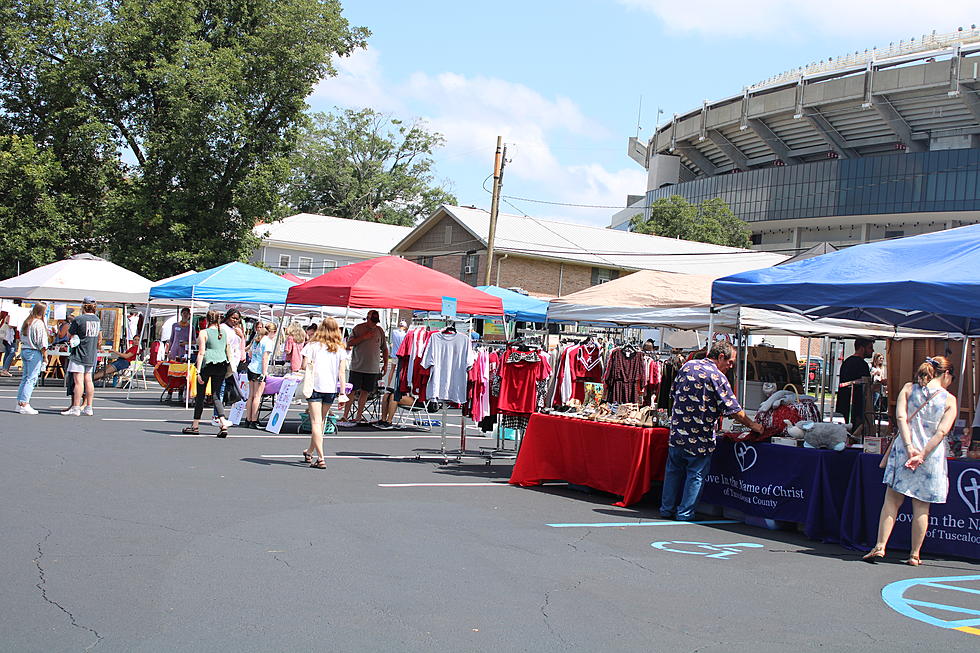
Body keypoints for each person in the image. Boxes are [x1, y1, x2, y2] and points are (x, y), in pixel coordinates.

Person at [863, 355, 958, 566]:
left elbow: (900, 419)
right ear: (947, 374)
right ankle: (915, 554)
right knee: (922, 508)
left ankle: (880, 545)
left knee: (891, 502)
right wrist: (922, 454)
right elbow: (942, 431)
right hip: (929, 458)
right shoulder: (949, 400)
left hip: (904, 453)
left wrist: (909, 447)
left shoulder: (908, 389)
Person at [660, 340, 763, 521]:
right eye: (730, 362)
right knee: (695, 475)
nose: (730, 367)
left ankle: (666, 509)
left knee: (673, 471)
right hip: (699, 438)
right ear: (721, 357)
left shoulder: (687, 366)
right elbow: (735, 411)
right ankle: (684, 513)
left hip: (677, 434)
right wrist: (755, 426)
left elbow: (672, 394)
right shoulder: (717, 376)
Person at [300, 318, 349, 469]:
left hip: (315, 386)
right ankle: (309, 452)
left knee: (316, 422)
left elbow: (304, 365)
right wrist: (342, 392)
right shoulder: (340, 348)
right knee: (320, 422)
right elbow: (342, 373)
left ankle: (321, 457)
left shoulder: (312, 346)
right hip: (330, 389)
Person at [182, 310, 233, 437]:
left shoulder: (204, 333)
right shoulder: (223, 332)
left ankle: (195, 425)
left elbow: (201, 353)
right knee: (216, 395)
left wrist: (198, 371)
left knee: (200, 395)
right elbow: (227, 349)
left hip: (208, 364)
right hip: (221, 364)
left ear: (207, 319)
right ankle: (223, 423)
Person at [339, 310, 388, 426]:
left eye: (376, 321)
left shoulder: (379, 330)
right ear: (367, 318)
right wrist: (364, 337)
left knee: (365, 392)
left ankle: (358, 416)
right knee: (352, 391)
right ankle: (345, 416)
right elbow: (349, 343)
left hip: (372, 368)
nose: (373, 324)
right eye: (372, 320)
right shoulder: (358, 328)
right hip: (357, 366)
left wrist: (385, 364)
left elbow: (384, 348)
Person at [61, 297, 102, 417]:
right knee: (89, 380)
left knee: (78, 381)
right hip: (91, 354)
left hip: (79, 353)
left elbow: (69, 334)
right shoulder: (97, 320)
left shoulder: (79, 319)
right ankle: (89, 406)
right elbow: (99, 337)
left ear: (83, 306)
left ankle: (75, 407)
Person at [16, 303, 49, 414]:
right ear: (43, 312)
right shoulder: (39, 323)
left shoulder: (27, 321)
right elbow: (42, 343)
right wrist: (45, 357)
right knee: (31, 378)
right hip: (34, 351)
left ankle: (20, 402)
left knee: (25, 378)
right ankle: (25, 403)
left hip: (25, 349)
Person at [243, 322, 276, 428]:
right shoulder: (268, 341)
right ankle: (254, 420)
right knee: (257, 396)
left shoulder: (257, 339)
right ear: (272, 332)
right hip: (258, 370)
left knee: (251, 395)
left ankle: (248, 419)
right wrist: (264, 372)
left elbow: (250, 353)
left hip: (251, 368)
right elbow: (265, 358)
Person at [836, 338, 874, 428]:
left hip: (844, 405)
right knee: (856, 432)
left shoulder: (846, 362)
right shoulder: (861, 364)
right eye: (870, 347)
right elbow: (866, 384)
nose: (872, 350)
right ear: (862, 348)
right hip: (856, 407)